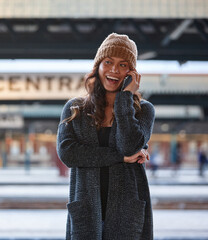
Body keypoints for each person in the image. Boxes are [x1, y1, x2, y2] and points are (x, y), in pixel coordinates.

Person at [56, 33, 155, 239]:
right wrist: (119, 158)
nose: (114, 70)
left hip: (127, 212)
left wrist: (124, 99)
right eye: (108, 62)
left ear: (132, 73)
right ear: (98, 66)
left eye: (123, 65)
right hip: (86, 210)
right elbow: (69, 154)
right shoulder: (75, 108)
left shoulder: (143, 111)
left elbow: (129, 146)